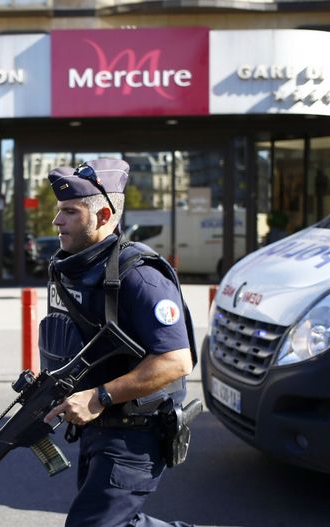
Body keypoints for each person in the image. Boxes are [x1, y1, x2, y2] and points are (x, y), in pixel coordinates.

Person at [40, 159, 195, 527]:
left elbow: (176, 361)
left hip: (135, 434)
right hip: (97, 428)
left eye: (69, 212)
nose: (56, 221)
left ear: (104, 214)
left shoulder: (140, 277)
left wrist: (99, 397)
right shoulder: (78, 269)